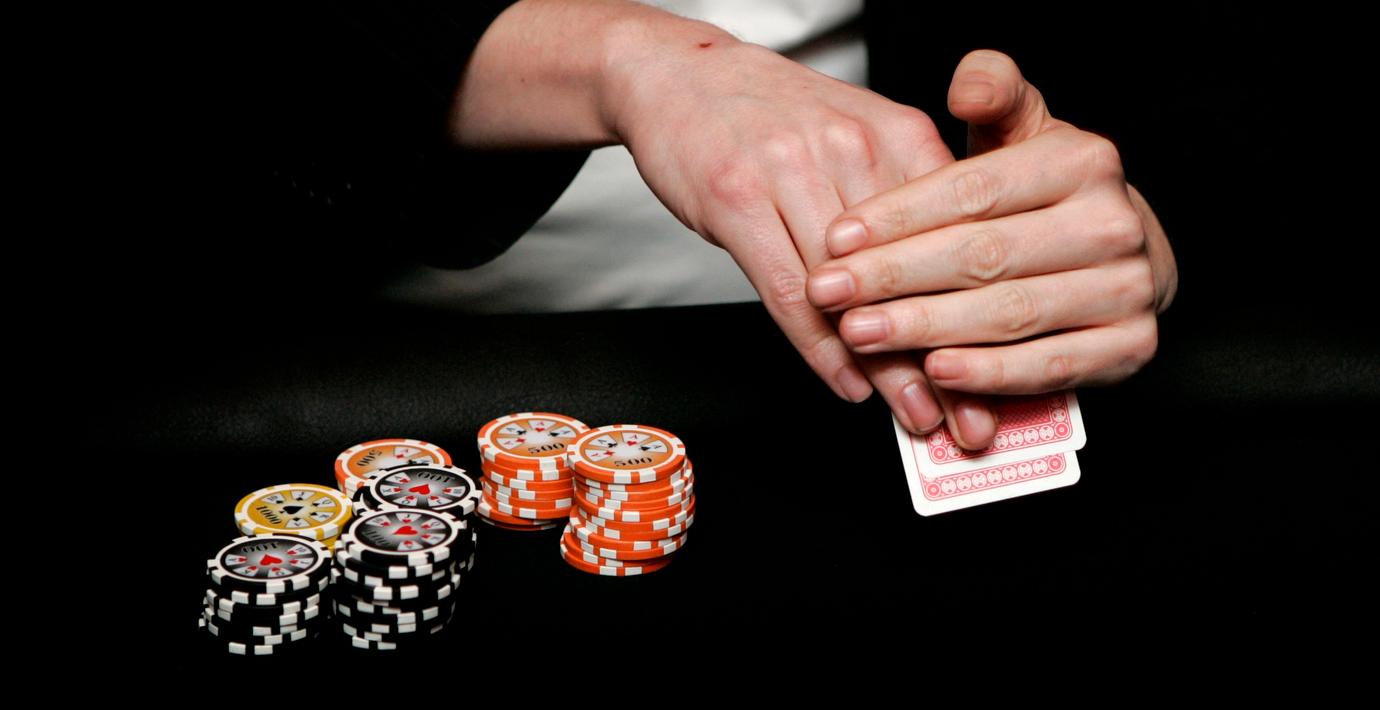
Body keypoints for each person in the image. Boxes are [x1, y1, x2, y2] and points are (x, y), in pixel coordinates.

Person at [250, 0, 1176, 451]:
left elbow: (1178, 85)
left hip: (845, 406)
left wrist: (1118, 229)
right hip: (389, 367)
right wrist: (626, 57)